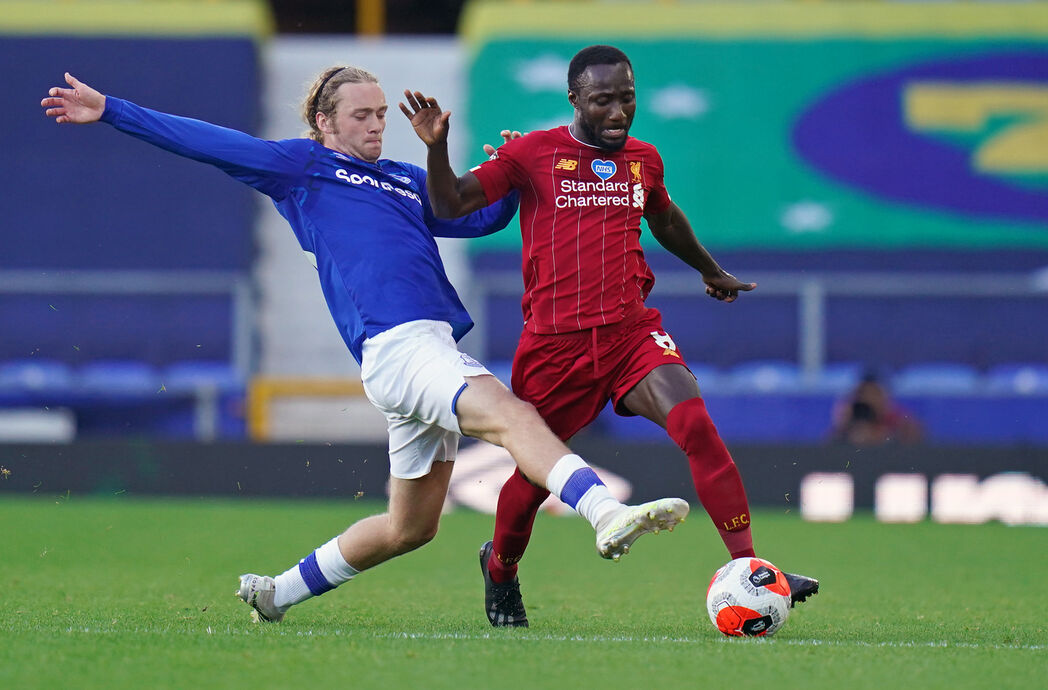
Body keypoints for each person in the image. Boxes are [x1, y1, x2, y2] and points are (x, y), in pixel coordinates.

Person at [42, 67, 690, 624]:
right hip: (400, 347)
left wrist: (516, 179)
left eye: (382, 114)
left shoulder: (405, 179)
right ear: (325, 122)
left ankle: (280, 593)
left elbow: (477, 217)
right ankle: (605, 512)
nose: (377, 125)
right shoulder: (304, 168)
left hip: (419, 352)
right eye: (361, 115)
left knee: (411, 529)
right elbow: (212, 144)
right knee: (514, 414)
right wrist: (111, 112)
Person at [402, 45, 818, 628]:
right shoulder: (533, 154)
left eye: (627, 97)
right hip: (556, 347)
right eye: (603, 101)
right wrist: (436, 146)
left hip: (629, 333)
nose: (619, 111)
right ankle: (499, 570)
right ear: (575, 100)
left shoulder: (644, 159)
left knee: (695, 424)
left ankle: (750, 566)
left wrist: (708, 268)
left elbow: (665, 218)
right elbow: (448, 205)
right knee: (531, 480)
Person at [831, 371, 923, 446]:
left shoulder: (898, 420)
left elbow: (916, 446)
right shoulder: (850, 420)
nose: (869, 399)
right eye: (865, 394)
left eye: (874, 394)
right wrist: (843, 427)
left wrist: (883, 436)